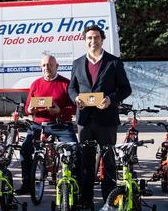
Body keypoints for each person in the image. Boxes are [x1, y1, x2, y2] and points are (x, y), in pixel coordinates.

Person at [69, 24, 132, 211]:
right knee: (85, 163)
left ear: (102, 39)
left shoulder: (114, 62)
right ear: (85, 40)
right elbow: (72, 88)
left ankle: (109, 202)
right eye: (89, 38)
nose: (92, 41)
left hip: (106, 120)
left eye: (96, 37)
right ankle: (86, 201)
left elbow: (126, 89)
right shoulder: (77, 63)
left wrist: (110, 100)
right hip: (85, 120)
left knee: (109, 161)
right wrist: (76, 98)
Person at [17, 54, 77, 195]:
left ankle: (75, 185)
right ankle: (27, 184)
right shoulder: (36, 84)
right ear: (40, 67)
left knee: (74, 149)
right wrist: (29, 110)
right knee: (25, 150)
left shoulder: (66, 84)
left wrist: (59, 111)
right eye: (44, 65)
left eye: (50, 65)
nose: (47, 68)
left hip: (60, 124)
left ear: (57, 66)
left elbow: (75, 108)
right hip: (39, 125)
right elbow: (27, 107)